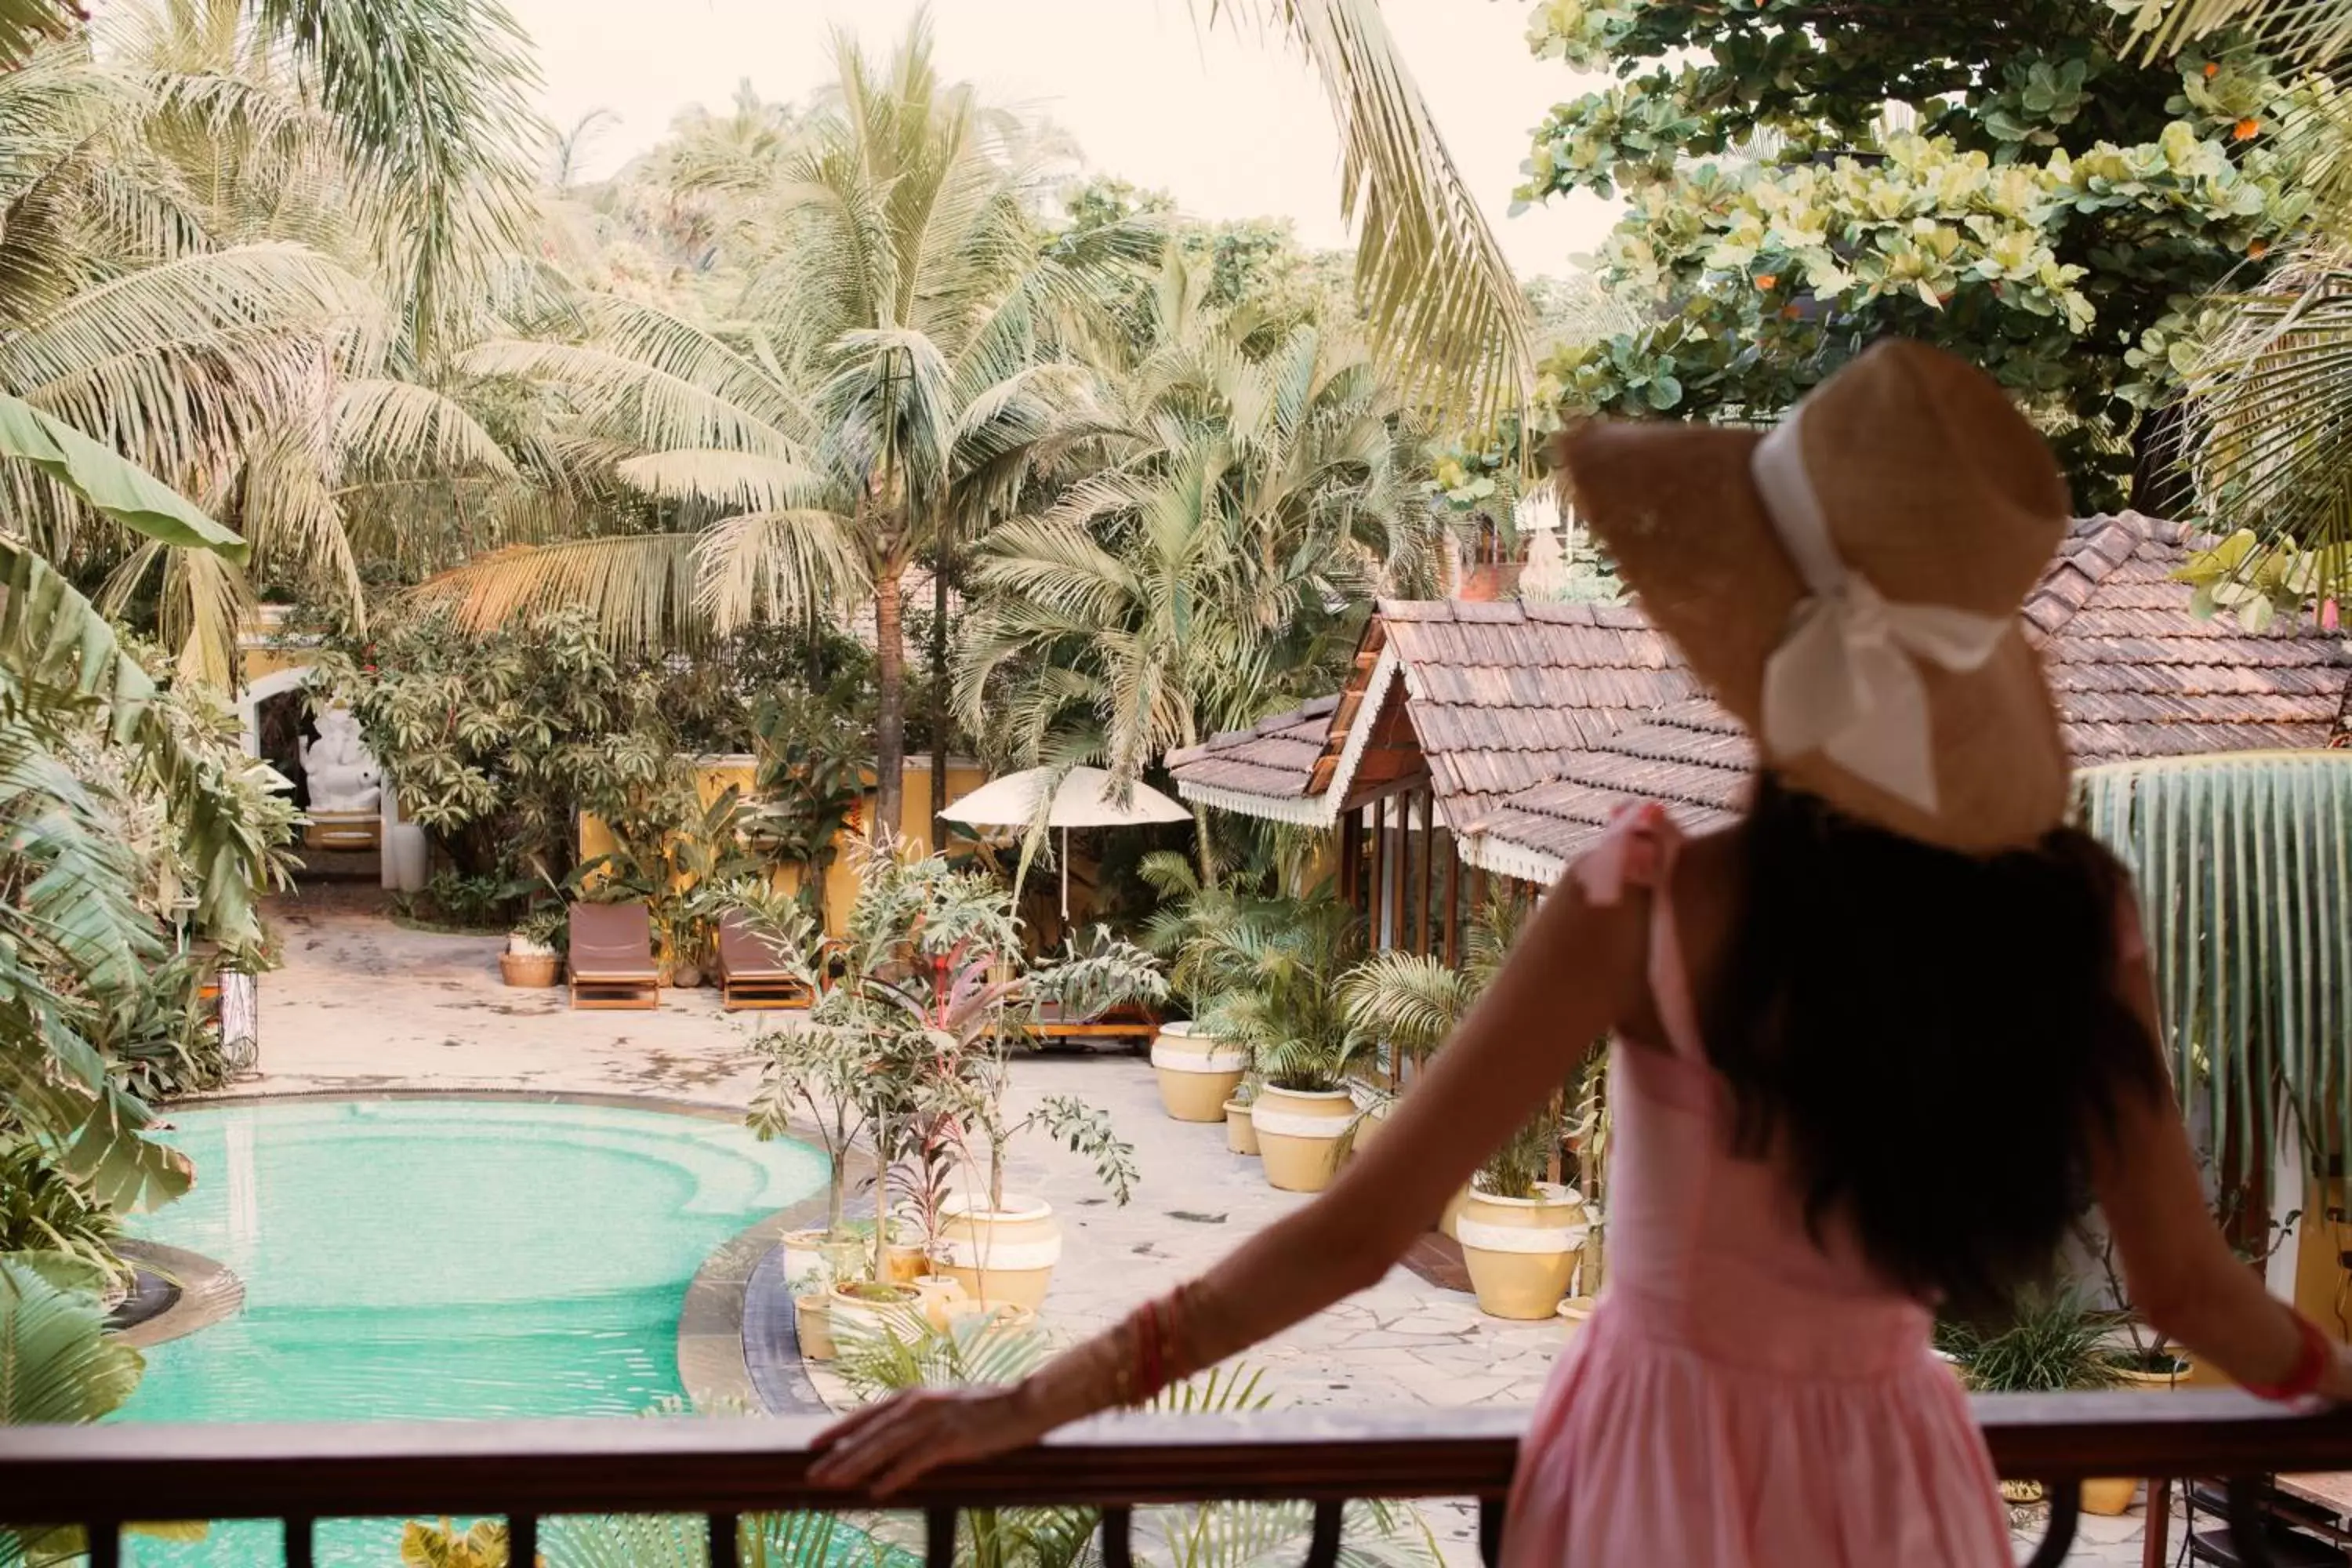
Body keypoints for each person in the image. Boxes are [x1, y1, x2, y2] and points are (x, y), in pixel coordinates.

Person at [810, 340, 2352, 1565]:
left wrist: (1036, 1397)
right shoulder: (2074, 916)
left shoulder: (1649, 909)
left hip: (1658, 1474)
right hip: (1901, 1485)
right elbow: (2193, 1288)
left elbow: (1357, 1232)